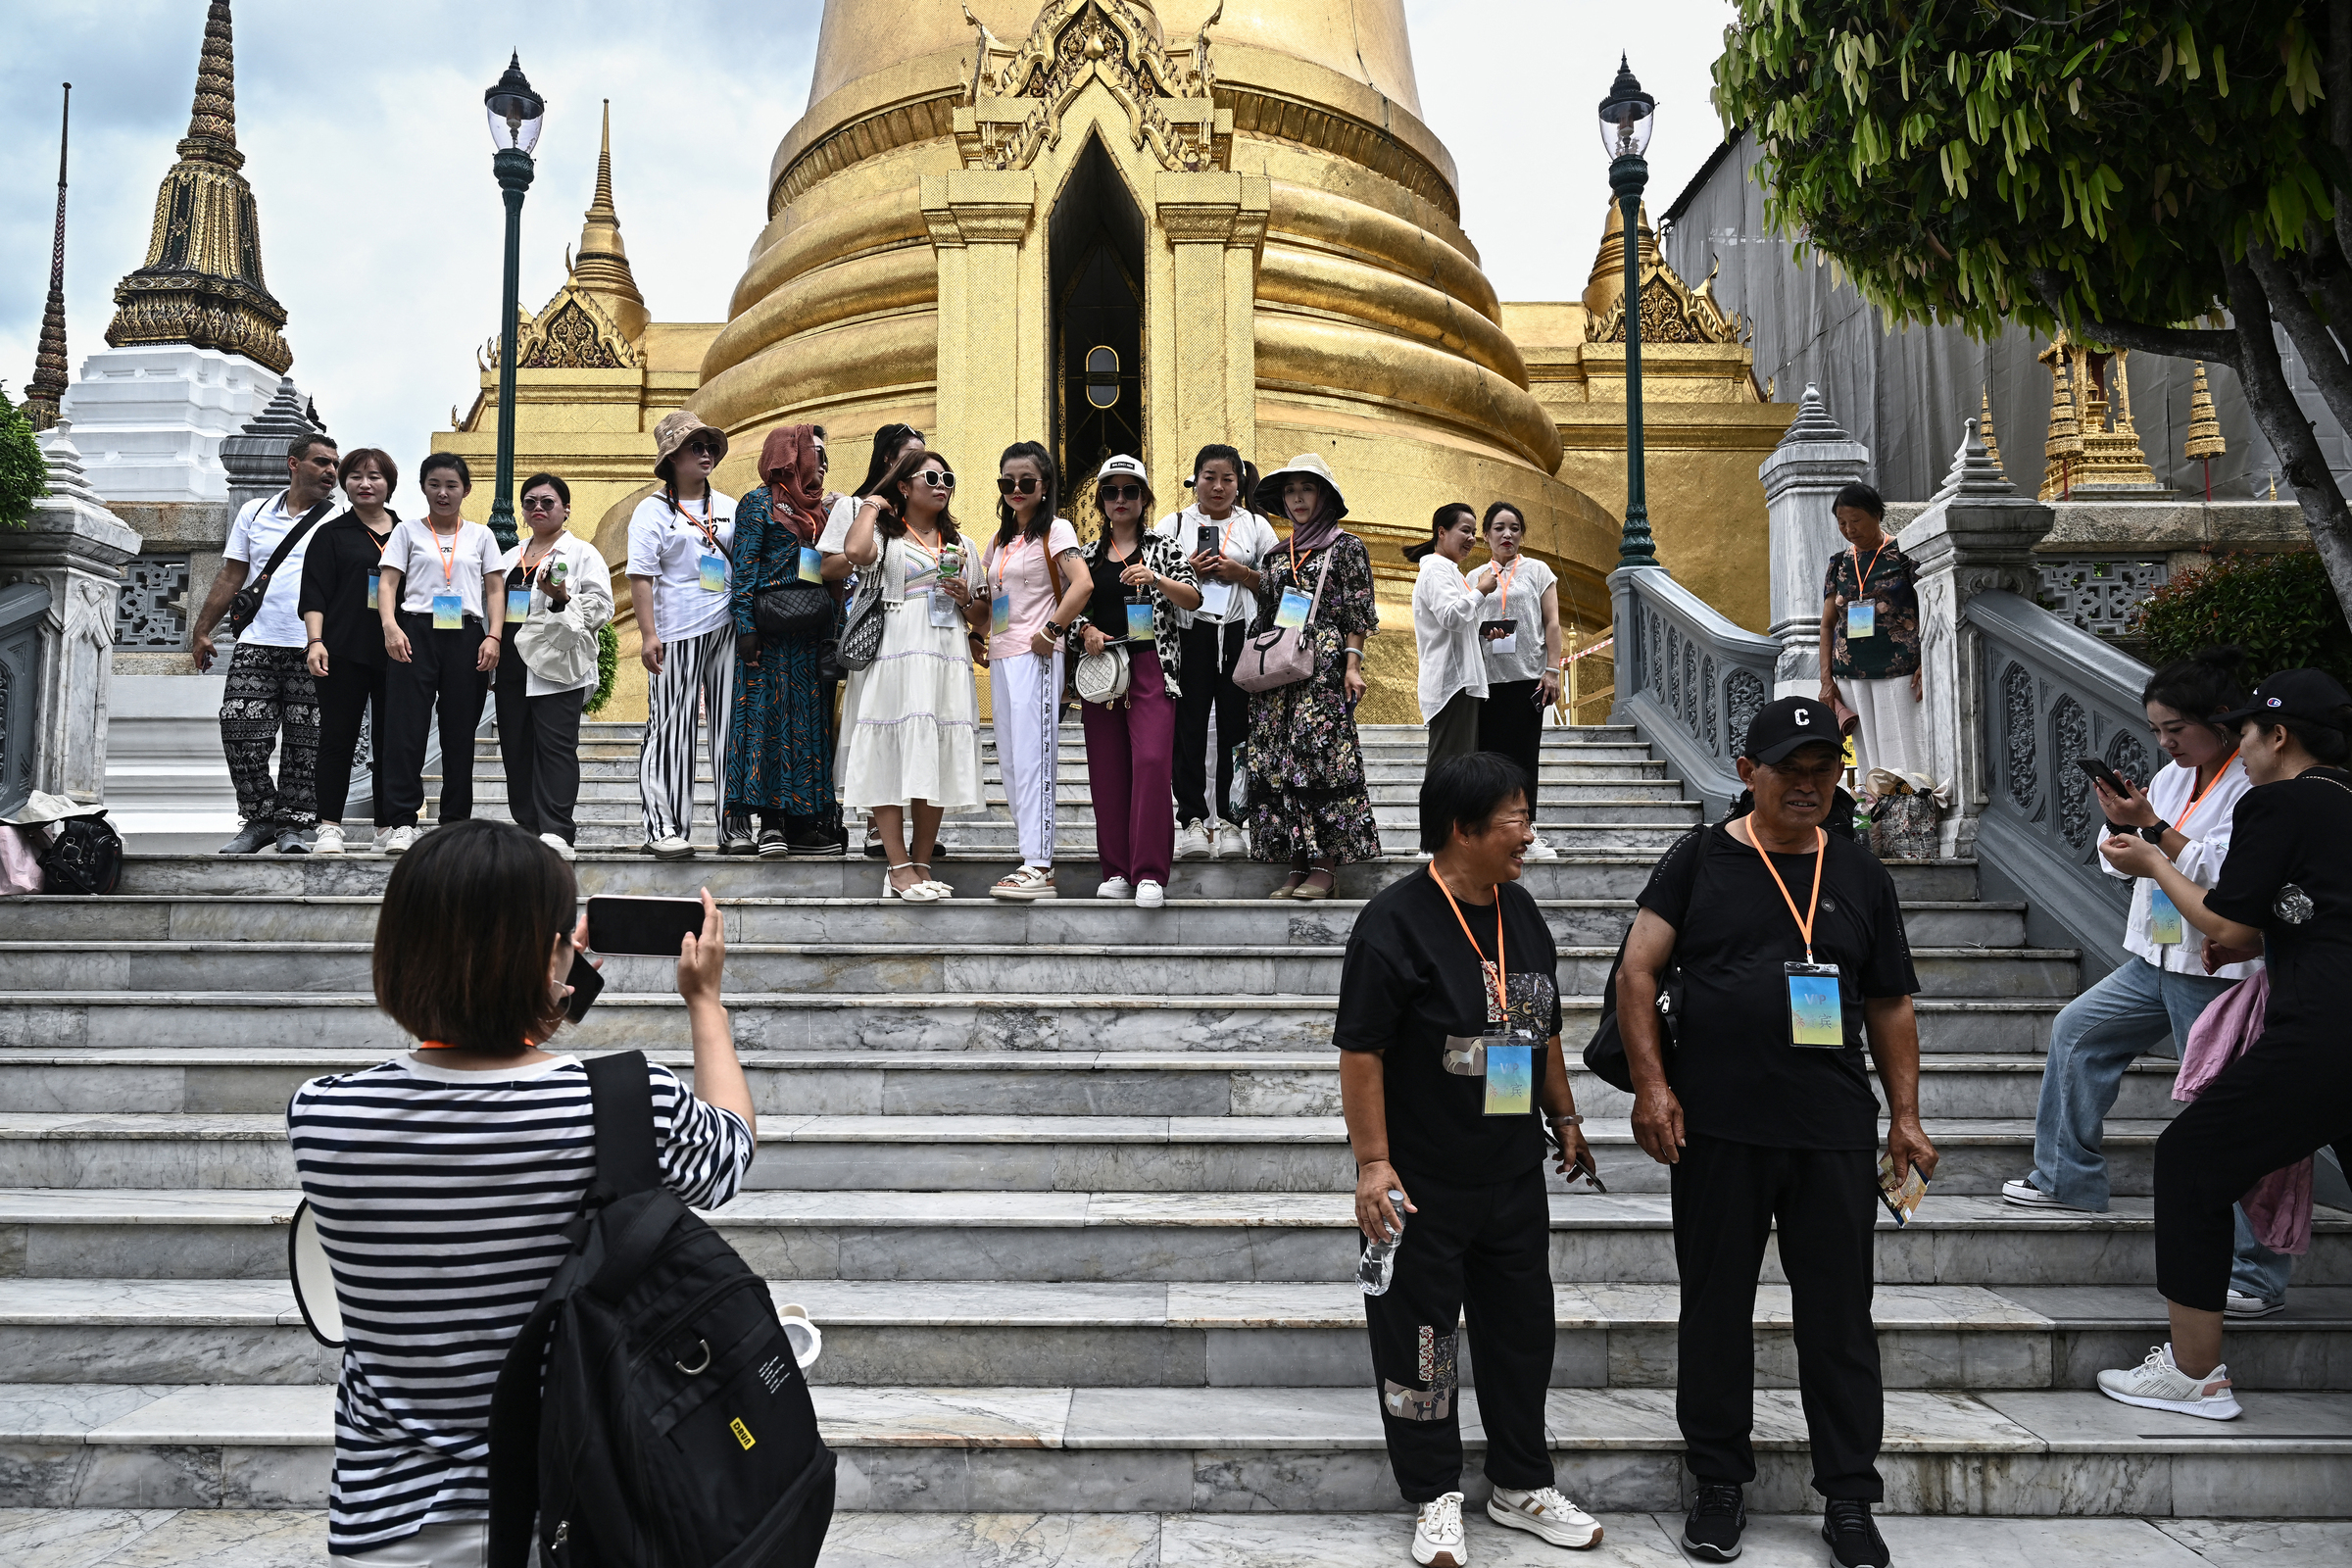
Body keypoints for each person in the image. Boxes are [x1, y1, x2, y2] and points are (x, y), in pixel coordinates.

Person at [286, 818, 754, 1565]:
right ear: (549, 960)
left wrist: (543, 973)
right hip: (578, 1514)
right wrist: (704, 1001)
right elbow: (729, 1151)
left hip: (389, 1524)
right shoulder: (624, 1102)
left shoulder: (322, 1115)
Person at [1617, 696, 1934, 1568]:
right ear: (1747, 772)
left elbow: (1890, 1001)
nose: (1808, 785)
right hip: (1718, 1126)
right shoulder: (1699, 860)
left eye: (1824, 769)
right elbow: (1637, 972)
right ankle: (1719, 1483)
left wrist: (1905, 1116)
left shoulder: (1862, 872)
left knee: (1839, 1318)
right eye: (1789, 770)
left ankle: (1848, 1499)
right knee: (1715, 1308)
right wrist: (1652, 1089)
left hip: (1831, 1130)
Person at [1337, 753, 1604, 1567]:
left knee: (1523, 1333)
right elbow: (1362, 1052)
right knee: (1424, 1342)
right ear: (1462, 829)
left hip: (1511, 1175)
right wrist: (1373, 1164)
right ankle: (1434, 1494)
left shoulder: (1518, 912)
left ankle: (1521, 1484)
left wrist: (1564, 1116)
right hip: (1422, 1185)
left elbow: (1542, 1026)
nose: (1528, 834)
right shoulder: (1394, 922)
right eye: (1515, 819)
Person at [2092, 669, 2352, 1421]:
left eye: (2245, 733)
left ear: (2278, 736)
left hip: (2324, 1028)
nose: (2240, 748)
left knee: (2189, 1162)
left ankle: (2193, 1372)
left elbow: (2226, 916)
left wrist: (2152, 862)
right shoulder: (2341, 801)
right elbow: (2246, 926)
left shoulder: (2280, 801)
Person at [2000, 650, 2291, 1311]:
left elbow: (2231, 869)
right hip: (2155, 956)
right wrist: (2120, 843)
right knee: (2078, 1032)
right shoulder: (2166, 780)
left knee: (2223, 1114)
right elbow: (2135, 865)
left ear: (2221, 721)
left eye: (2175, 729)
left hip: (2223, 970)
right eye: (2156, 728)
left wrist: (2153, 835)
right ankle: (2067, 1177)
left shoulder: (2255, 783)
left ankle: (2254, 1272)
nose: (2164, 741)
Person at [840, 445, 986, 902]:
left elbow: (984, 617)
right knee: (890, 745)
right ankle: (897, 866)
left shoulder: (962, 545)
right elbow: (854, 551)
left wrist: (966, 597)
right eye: (931, 479)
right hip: (896, 647)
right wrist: (871, 504)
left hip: (946, 649)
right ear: (904, 485)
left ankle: (921, 864)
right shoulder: (888, 536)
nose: (942, 487)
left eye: (948, 480)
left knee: (936, 748)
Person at [191, 430, 340, 855]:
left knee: (306, 739)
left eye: (334, 464)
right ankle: (258, 818)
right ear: (294, 464)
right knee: (238, 727)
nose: (331, 471)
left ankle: (293, 825)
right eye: (321, 462)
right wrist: (203, 630)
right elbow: (231, 576)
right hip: (257, 642)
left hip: (316, 645)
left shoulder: (340, 518)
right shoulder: (254, 513)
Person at [1241, 454, 1381, 900]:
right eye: (1289, 490)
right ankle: (1296, 863)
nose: (1297, 498)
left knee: (1319, 761)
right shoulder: (1276, 555)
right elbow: (1267, 614)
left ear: (1323, 496)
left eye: (1306, 488)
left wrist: (1352, 665)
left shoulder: (1347, 547)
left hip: (1321, 669)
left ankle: (1326, 865)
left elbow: (1358, 613)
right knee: (1280, 765)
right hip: (1279, 671)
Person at [1067, 455, 1201, 908]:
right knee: (1107, 772)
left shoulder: (1162, 546)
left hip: (1150, 664)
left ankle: (1149, 873)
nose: (1120, 499)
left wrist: (1156, 578)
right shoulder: (1085, 556)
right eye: (1111, 491)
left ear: (1144, 498)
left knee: (1150, 763)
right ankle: (1117, 869)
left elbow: (1194, 597)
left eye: (1130, 491)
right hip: (1103, 672)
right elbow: (1069, 613)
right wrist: (1085, 630)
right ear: (1101, 500)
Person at [1153, 443, 1279, 861]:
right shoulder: (1172, 524)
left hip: (1242, 634)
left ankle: (1231, 822)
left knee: (1237, 728)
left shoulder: (1256, 526)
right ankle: (1191, 820)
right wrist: (1187, 568)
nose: (1219, 486)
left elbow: (1280, 585)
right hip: (1191, 635)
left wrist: (1240, 573)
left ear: (1240, 482)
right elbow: (1149, 578)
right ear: (1195, 480)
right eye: (1210, 477)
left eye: (1228, 478)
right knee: (1187, 727)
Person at [375, 454, 504, 855]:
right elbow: (387, 585)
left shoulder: (481, 536)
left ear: (466, 489)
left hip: (466, 636)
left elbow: (496, 589)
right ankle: (401, 821)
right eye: (434, 484)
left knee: (459, 733)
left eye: (451, 485)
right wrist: (391, 627)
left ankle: (455, 823)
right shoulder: (407, 532)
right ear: (423, 487)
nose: (443, 493)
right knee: (406, 731)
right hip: (415, 633)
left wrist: (494, 636)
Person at [982, 441, 1090, 902]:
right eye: (1008, 482)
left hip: (1038, 653)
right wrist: (966, 609)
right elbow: (990, 609)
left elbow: (1081, 583)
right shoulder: (999, 542)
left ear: (1045, 486)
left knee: (1034, 756)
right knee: (1009, 759)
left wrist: (1052, 630)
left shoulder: (1058, 530)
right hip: (1003, 652)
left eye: (1027, 481)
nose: (1017, 489)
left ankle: (1040, 865)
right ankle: (1029, 856)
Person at [629, 411, 740, 858]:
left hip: (727, 628)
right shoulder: (651, 511)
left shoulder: (730, 507)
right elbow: (641, 577)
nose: (706, 453)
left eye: (710, 445)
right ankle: (663, 827)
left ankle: (734, 827)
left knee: (731, 727)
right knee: (670, 728)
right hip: (675, 631)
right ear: (672, 457)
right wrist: (648, 635)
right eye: (696, 447)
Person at [728, 426, 843, 858]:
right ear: (791, 457)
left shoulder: (819, 508)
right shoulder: (759, 503)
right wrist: (745, 628)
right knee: (768, 726)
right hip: (769, 635)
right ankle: (770, 824)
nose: (824, 463)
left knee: (807, 728)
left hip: (809, 634)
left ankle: (801, 823)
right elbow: (744, 567)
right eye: (816, 454)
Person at [494, 473, 612, 862]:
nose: (538, 508)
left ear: (566, 509)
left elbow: (601, 607)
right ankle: (527, 829)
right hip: (511, 666)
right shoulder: (510, 557)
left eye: (547, 501)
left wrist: (563, 601)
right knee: (516, 750)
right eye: (529, 502)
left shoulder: (581, 553)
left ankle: (557, 830)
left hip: (559, 665)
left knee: (556, 749)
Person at [823, 424, 925, 858]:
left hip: (917, 633)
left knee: (912, 721)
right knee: (875, 724)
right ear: (888, 459)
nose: (923, 465)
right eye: (911, 456)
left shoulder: (923, 514)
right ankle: (874, 826)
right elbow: (825, 566)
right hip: (872, 630)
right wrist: (864, 549)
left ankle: (913, 832)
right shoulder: (853, 505)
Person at [299, 447, 398, 856]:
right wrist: (315, 642)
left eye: (374, 476)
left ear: (389, 483)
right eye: (355, 476)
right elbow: (314, 594)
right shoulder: (331, 534)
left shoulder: (409, 533)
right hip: (342, 650)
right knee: (337, 739)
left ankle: (388, 825)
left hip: (397, 651)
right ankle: (329, 827)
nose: (365, 483)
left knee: (392, 741)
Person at [1816, 482, 1925, 795]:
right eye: (1841, 522)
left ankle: (1912, 815)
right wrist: (1826, 679)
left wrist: (1926, 662)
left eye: (1856, 519)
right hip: (1850, 674)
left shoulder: (1905, 556)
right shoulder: (1839, 563)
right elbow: (1827, 625)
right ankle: (1877, 819)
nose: (1849, 528)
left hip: (1900, 670)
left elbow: (1929, 611)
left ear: (1877, 514)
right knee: (1867, 758)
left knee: (1906, 751)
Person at [1476, 503, 1563, 861]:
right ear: (1486, 535)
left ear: (1523, 534)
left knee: (1524, 759)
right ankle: (1490, 833)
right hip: (1486, 682)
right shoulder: (1476, 577)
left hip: (1528, 679)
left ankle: (1527, 833)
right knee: (1488, 761)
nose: (1507, 535)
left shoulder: (1538, 571)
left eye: (1514, 528)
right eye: (1498, 528)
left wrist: (1552, 669)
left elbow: (1552, 623)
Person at [1407, 503, 1495, 782]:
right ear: (1442, 532)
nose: (1471, 539)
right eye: (1465, 530)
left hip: (1460, 681)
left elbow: (1456, 621)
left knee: (1458, 772)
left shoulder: (1450, 571)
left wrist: (1482, 631)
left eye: (1473, 533)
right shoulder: (1436, 569)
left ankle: (1447, 826)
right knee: (1447, 771)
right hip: (1452, 682)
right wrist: (1481, 590)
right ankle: (1435, 827)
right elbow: (1450, 616)